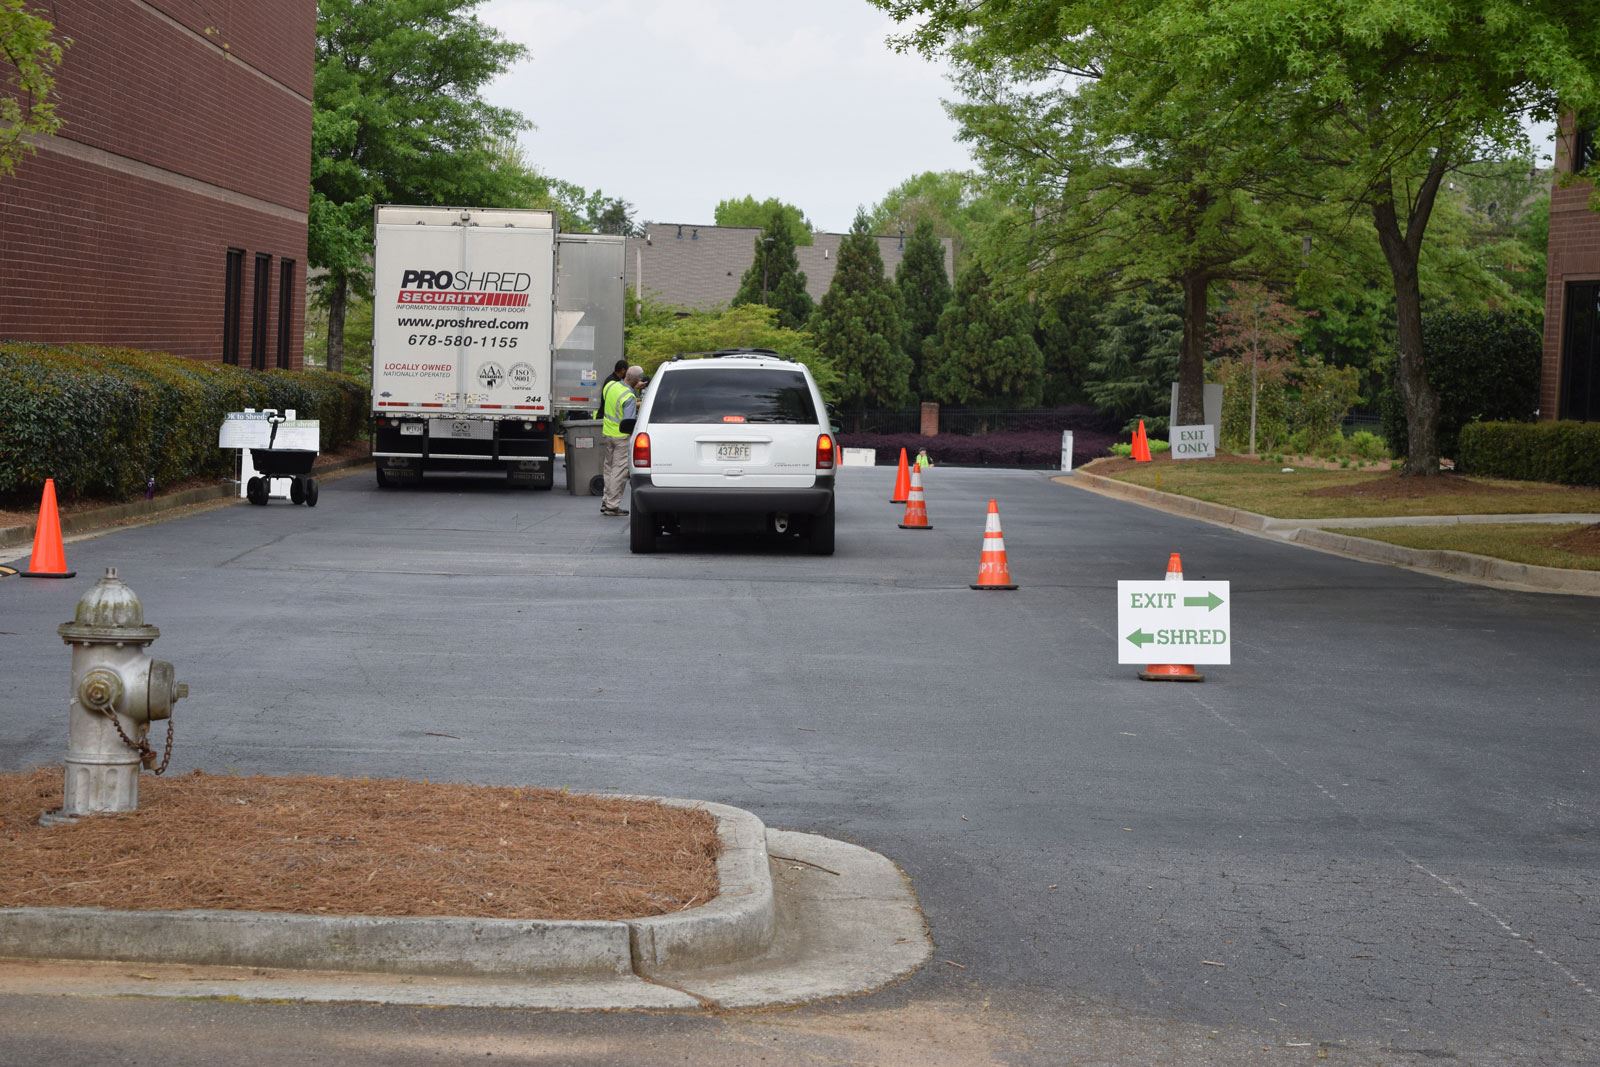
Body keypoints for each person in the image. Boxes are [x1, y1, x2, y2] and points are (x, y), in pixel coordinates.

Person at [600, 365, 643, 516]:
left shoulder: (610, 386)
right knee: (619, 472)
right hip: (621, 437)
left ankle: (606, 501)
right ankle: (612, 506)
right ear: (637, 381)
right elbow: (628, 422)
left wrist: (632, 386)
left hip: (607, 433)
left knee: (609, 469)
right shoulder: (629, 397)